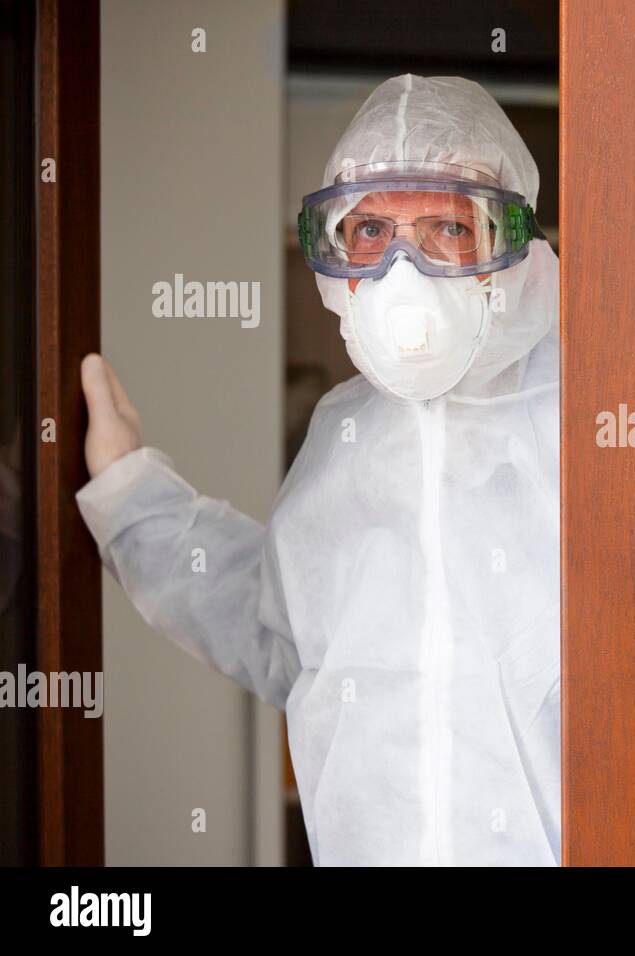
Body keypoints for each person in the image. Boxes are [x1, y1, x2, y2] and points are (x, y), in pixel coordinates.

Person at [77, 75, 560, 865]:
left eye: (448, 225)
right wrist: (135, 496)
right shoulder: (347, 438)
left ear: (512, 241)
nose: (404, 272)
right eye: (370, 230)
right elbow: (284, 638)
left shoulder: (627, 437)